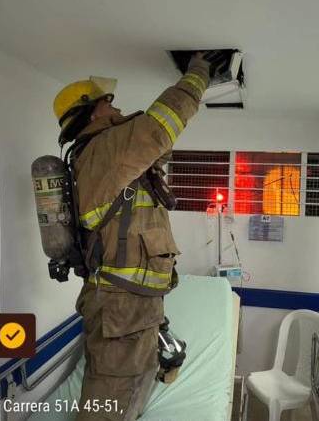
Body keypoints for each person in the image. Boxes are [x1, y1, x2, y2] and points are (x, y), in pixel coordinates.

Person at [54, 51, 212, 420]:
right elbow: (162, 124)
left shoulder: (104, 155)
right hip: (122, 308)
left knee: (124, 399)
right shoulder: (105, 150)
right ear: (93, 112)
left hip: (131, 307)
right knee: (105, 408)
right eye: (109, 103)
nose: (117, 107)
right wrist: (199, 72)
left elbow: (155, 148)